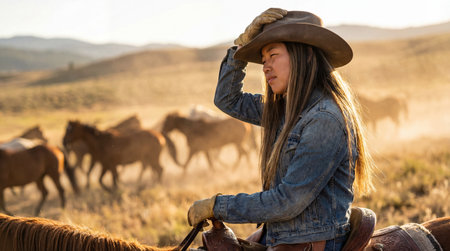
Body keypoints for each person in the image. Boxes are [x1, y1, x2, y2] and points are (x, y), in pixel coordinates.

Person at [187, 8, 375, 251]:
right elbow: (227, 100)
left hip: (311, 243)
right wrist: (241, 47)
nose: (265, 67)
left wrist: (218, 206)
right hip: (280, 237)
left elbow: (288, 201)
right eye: (263, 60)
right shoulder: (285, 110)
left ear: (306, 55)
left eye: (273, 55)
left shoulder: (325, 119)